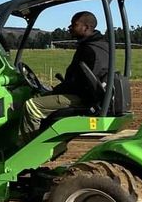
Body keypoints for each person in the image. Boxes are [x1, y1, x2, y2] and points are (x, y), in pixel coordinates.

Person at [19, 11, 109, 143]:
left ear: (86, 27)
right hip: (90, 95)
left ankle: (25, 151)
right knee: (42, 98)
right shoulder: (99, 45)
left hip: (84, 97)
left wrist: (56, 91)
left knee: (32, 106)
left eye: (74, 24)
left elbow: (79, 83)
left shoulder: (89, 50)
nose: (70, 27)